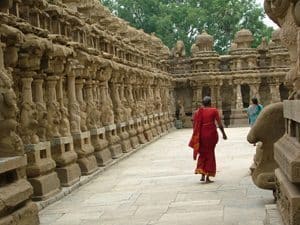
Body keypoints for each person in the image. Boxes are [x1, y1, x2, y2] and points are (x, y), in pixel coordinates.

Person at [189, 96, 227, 183]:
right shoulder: (214, 110)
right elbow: (220, 124)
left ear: (203, 103)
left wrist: (196, 135)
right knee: (210, 154)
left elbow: (194, 123)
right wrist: (224, 134)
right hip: (211, 135)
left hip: (201, 135)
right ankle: (207, 177)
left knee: (202, 153)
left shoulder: (197, 112)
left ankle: (202, 174)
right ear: (210, 103)